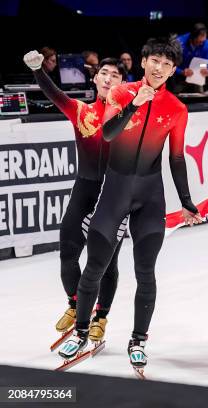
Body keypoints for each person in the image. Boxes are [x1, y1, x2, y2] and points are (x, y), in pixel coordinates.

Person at [58, 37, 203, 372]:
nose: (160, 69)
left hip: (150, 197)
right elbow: (108, 133)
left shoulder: (177, 109)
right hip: (115, 191)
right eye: (155, 61)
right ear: (143, 61)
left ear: (173, 70)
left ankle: (138, 340)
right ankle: (81, 332)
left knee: (145, 272)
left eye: (168, 65)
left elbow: (177, 158)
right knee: (95, 265)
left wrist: (186, 201)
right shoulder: (121, 93)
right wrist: (136, 103)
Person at [23, 52, 127, 344]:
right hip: (85, 188)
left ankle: (101, 315)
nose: (108, 78)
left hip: (113, 195)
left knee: (107, 262)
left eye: (115, 75)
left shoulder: (128, 116)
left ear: (122, 84)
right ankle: (75, 303)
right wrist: (38, 71)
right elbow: (54, 94)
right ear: (95, 78)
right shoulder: (81, 111)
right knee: (68, 251)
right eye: (104, 73)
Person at [174, 23, 208, 93]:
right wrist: (181, 71)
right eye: (199, 42)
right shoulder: (179, 43)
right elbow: (170, 65)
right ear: (192, 37)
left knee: (200, 99)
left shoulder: (206, 44)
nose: (201, 44)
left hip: (197, 78)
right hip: (179, 77)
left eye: (203, 41)